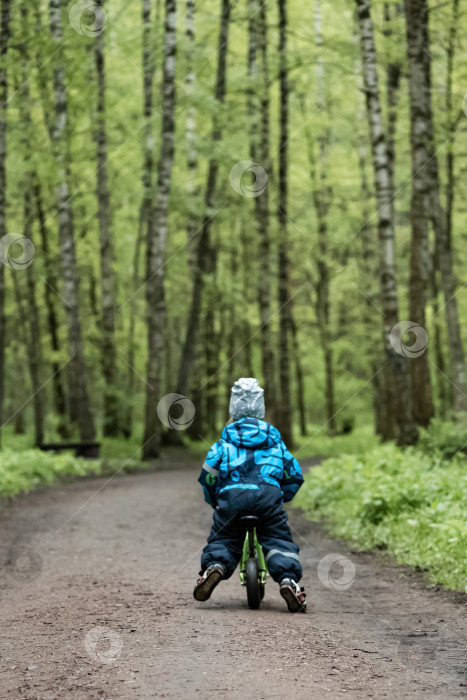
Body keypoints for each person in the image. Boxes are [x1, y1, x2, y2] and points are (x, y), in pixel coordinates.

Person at [193, 377, 306, 613]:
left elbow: (208, 476)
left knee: (224, 538)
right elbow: (294, 474)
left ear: (232, 410)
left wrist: (216, 501)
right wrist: (282, 496)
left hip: (231, 498)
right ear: (261, 410)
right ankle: (288, 580)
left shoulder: (223, 444)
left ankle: (214, 566)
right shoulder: (275, 442)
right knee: (278, 540)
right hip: (267, 497)